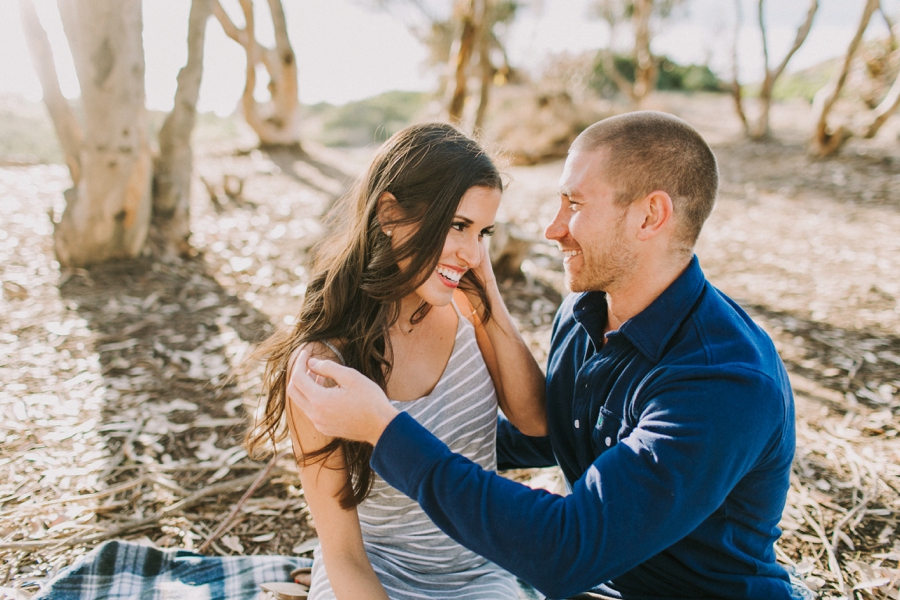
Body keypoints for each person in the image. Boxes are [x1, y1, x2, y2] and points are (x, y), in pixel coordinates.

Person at [289, 111, 814, 600]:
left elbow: (564, 552)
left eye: (575, 204)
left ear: (651, 215)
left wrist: (386, 432)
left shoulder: (722, 382)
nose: (551, 228)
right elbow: (553, 427)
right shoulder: (586, 312)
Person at [247, 123, 547, 600]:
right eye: (457, 226)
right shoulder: (325, 364)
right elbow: (343, 552)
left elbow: (534, 421)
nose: (471, 252)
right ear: (389, 213)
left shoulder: (472, 319)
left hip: (476, 575)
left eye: (484, 232)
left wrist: (487, 290)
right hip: (371, 576)